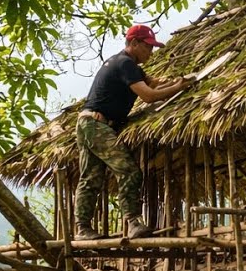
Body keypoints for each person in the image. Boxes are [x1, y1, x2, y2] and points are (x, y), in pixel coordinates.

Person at [73, 24, 193, 240]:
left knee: (90, 178)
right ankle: (133, 222)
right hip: (96, 125)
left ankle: (82, 228)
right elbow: (148, 95)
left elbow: (153, 83)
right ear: (134, 43)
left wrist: (176, 82)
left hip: (88, 123)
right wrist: (177, 89)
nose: (151, 52)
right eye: (148, 47)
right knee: (128, 170)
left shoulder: (128, 65)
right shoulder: (125, 63)